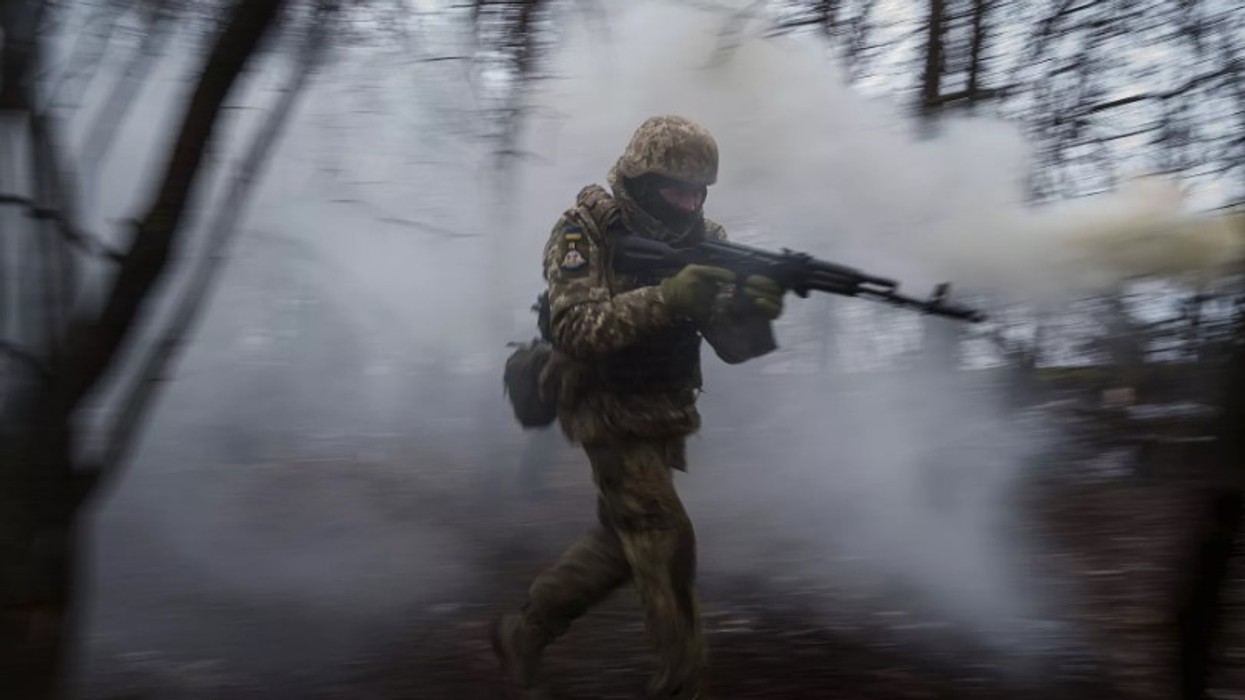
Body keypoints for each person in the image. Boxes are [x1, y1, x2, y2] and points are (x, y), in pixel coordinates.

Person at [491, 115, 785, 700]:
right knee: (664, 537)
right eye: (679, 189)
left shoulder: (707, 239)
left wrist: (754, 311)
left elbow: (732, 348)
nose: (691, 201)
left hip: (663, 409)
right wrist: (667, 298)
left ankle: (525, 631)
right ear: (645, 182)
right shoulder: (585, 232)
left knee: (623, 545)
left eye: (700, 191)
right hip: (602, 402)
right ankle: (683, 682)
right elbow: (575, 328)